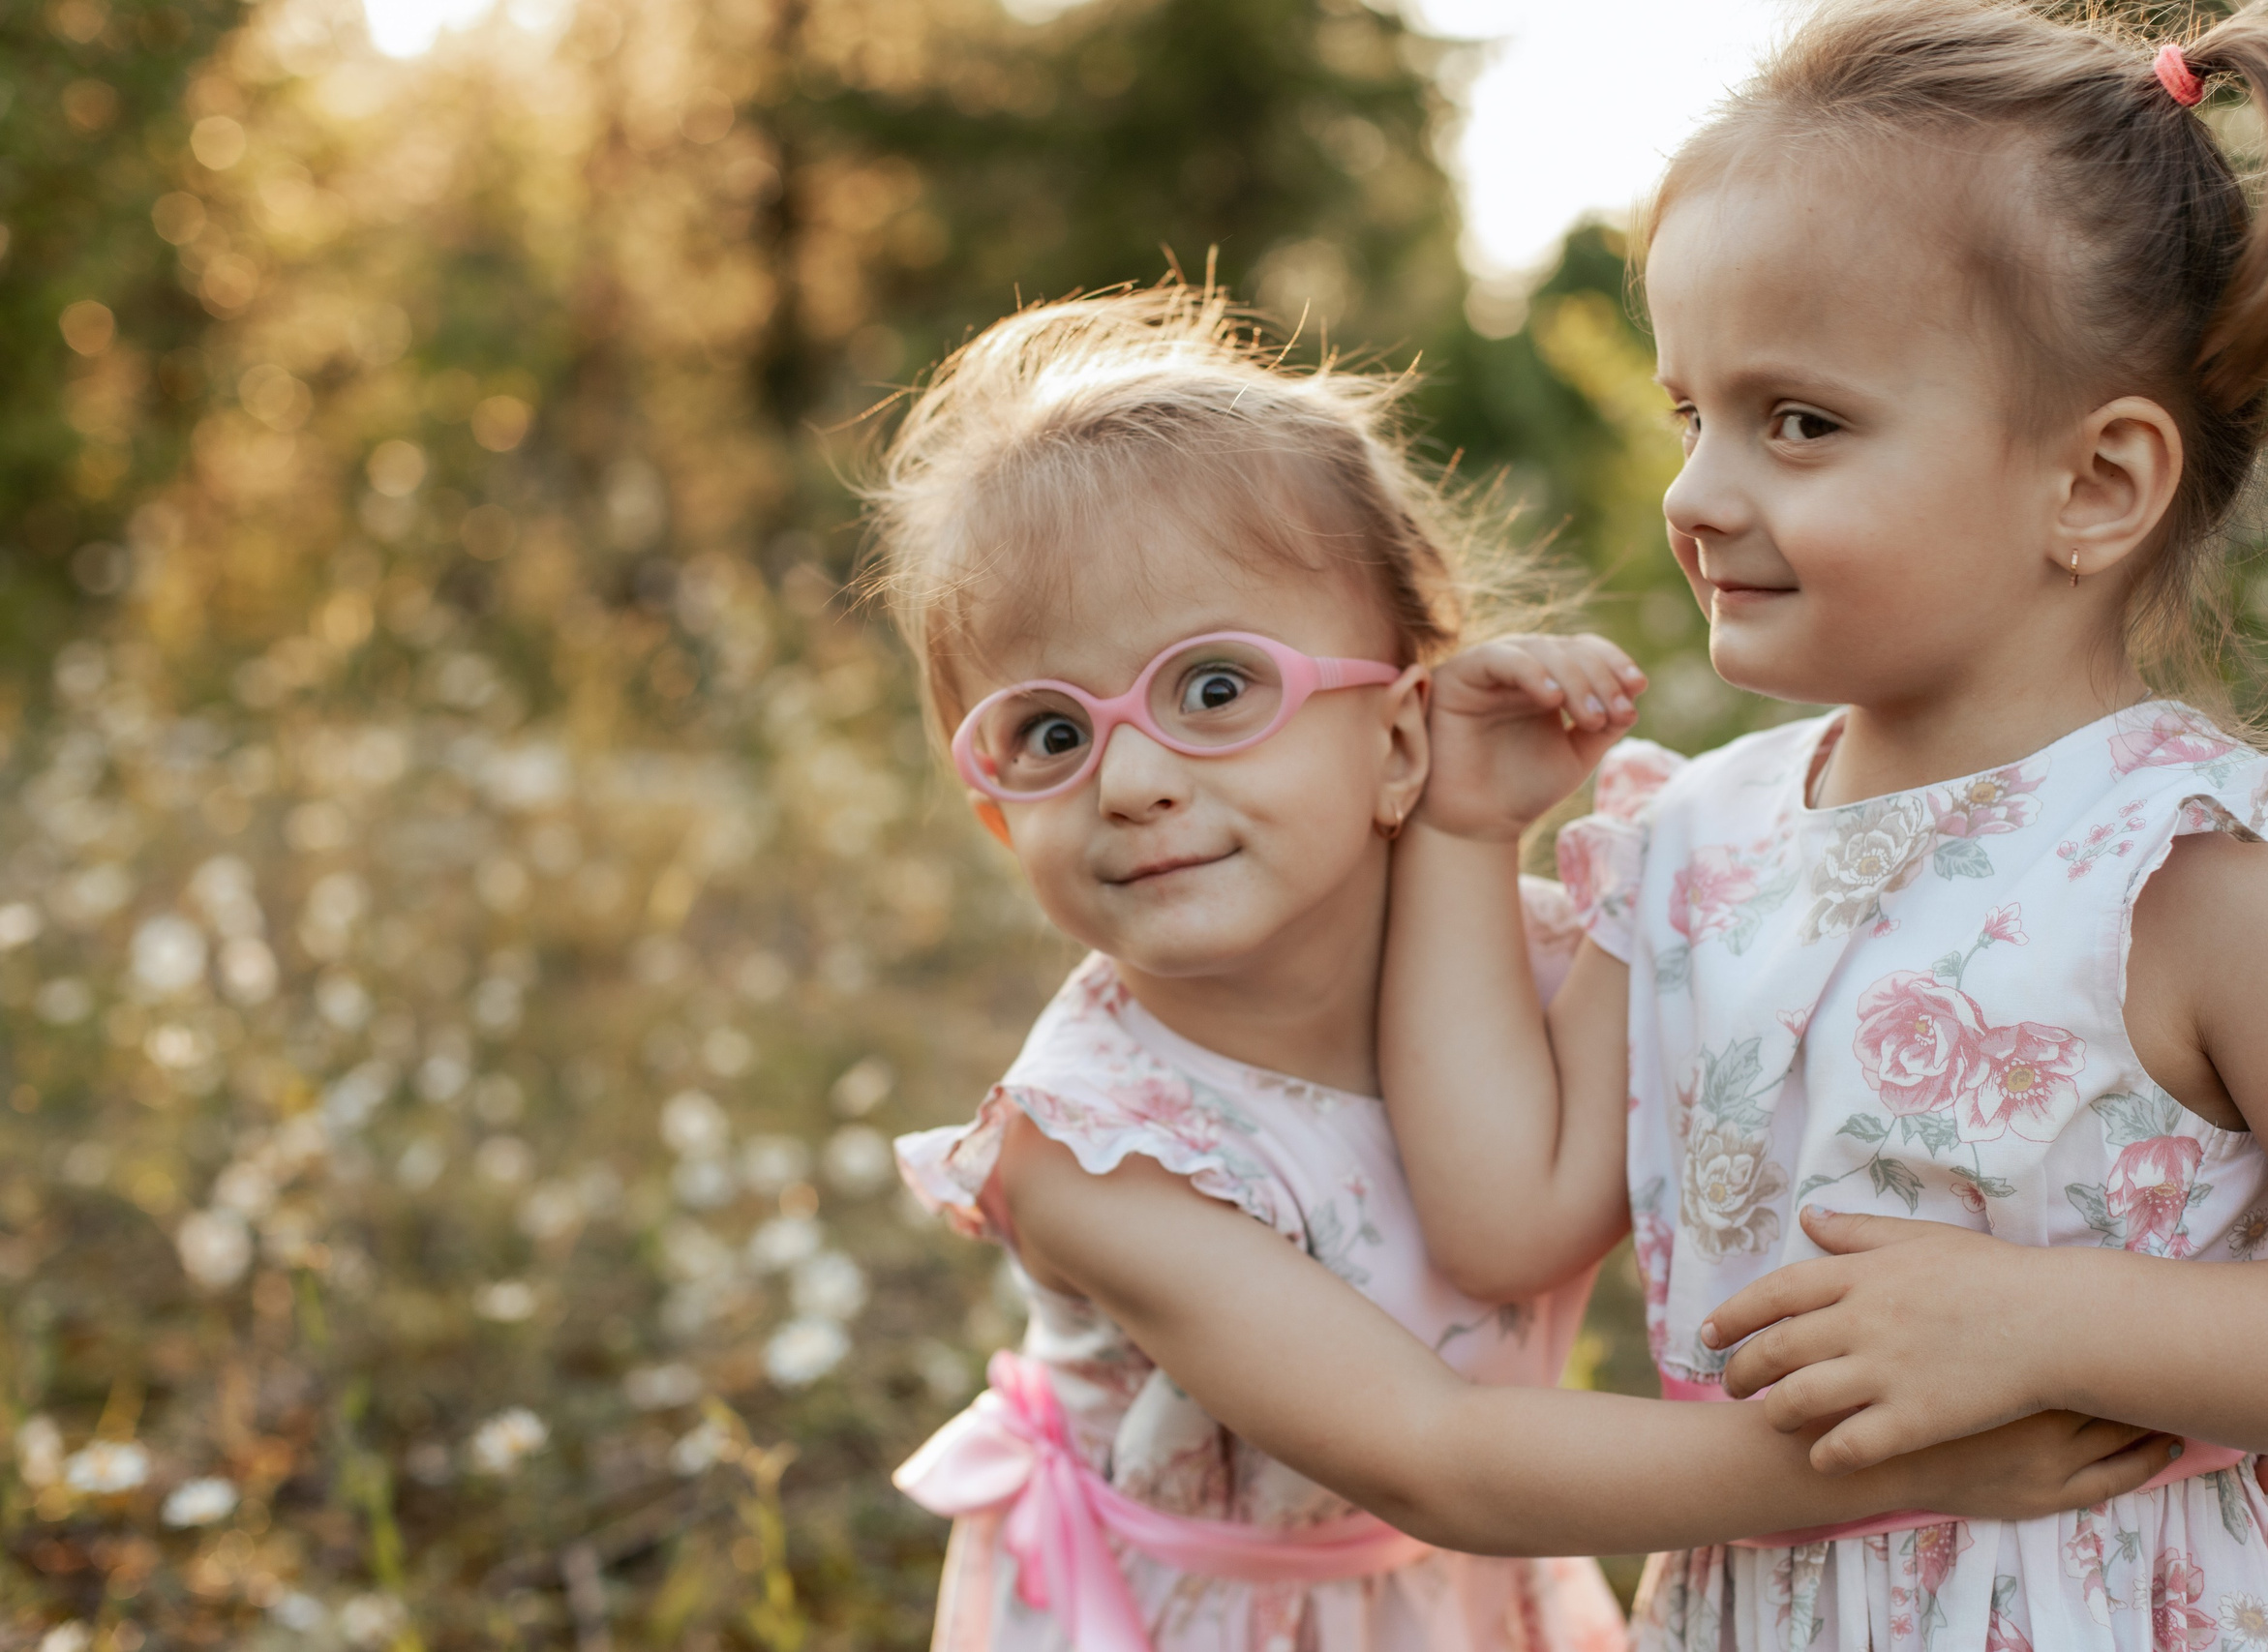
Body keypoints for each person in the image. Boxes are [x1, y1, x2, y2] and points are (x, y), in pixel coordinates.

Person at [1377, 3, 2268, 1649]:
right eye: (1693, 415)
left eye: (1800, 422)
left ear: (2097, 484)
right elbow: (1506, 1216)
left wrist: (2050, 1319)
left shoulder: (2201, 865)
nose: (1695, 493)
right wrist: (1462, 844)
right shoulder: (1692, 840)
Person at [866, 285, 2189, 1652]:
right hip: (1204, 1616)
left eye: (1213, 691)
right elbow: (1430, 1452)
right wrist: (1902, 1466)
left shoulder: (1538, 957)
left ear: (1395, 736)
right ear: (993, 813)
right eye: (1045, 735)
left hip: (1468, 1596)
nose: (1130, 780)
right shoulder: (1091, 1148)